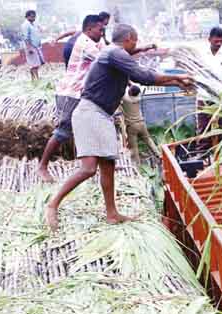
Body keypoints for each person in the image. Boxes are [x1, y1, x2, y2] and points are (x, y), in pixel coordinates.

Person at [44, 24, 193, 231]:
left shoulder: (116, 56)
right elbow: (145, 76)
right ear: (130, 38)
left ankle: (112, 213)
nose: (137, 45)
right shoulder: (115, 52)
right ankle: (53, 204)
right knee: (88, 169)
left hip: (103, 114)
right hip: (90, 112)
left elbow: (143, 76)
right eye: (136, 40)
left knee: (108, 165)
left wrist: (176, 82)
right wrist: (177, 78)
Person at [37, 15, 105, 182]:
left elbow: (109, 53)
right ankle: (42, 167)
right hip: (70, 93)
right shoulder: (85, 43)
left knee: (91, 126)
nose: (102, 32)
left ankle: (99, 163)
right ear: (89, 29)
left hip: (82, 93)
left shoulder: (96, 41)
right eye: (100, 29)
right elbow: (108, 59)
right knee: (63, 131)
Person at [196, 27, 222, 149]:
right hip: (204, 95)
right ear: (209, 39)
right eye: (216, 41)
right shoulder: (201, 55)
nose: (219, 44)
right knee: (203, 124)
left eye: (221, 41)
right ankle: (203, 151)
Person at [122, 85, 159, 163]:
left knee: (134, 148)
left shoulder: (125, 99)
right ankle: (159, 155)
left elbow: (120, 90)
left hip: (132, 126)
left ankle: (137, 165)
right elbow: (135, 89)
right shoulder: (139, 98)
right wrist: (130, 84)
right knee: (148, 140)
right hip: (142, 124)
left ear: (130, 92)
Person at [21, 10, 44, 80]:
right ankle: (36, 79)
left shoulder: (32, 24)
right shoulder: (25, 25)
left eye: (34, 16)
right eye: (32, 16)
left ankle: (33, 79)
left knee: (36, 63)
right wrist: (29, 48)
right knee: (34, 64)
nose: (34, 18)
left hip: (36, 46)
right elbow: (25, 37)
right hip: (30, 47)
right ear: (27, 17)